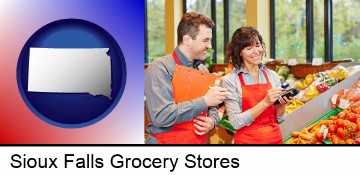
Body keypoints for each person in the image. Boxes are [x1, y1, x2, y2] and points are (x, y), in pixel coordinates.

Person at [144, 12, 228, 144]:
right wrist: (204, 101)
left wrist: (212, 122)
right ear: (187, 40)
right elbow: (161, 116)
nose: (210, 46)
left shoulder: (202, 70)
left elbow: (212, 107)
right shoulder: (159, 68)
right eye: (205, 40)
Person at [221, 26, 291, 144]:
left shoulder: (272, 75)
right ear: (239, 52)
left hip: (275, 139)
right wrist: (265, 102)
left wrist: (281, 106)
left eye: (258, 45)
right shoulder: (230, 80)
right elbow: (235, 122)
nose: (256, 51)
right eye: (249, 48)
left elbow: (279, 118)